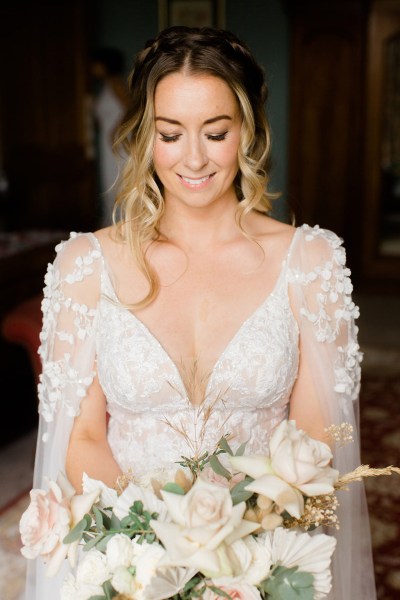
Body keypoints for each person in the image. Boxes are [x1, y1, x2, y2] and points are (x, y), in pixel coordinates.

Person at [26, 26, 375, 599]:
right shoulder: (84, 267)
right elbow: (82, 435)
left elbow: (322, 433)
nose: (193, 158)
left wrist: (239, 557)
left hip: (265, 557)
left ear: (250, 132)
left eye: (216, 133)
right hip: (126, 562)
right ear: (143, 136)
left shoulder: (309, 261)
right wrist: (154, 553)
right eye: (170, 133)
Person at [91, 46, 129, 226]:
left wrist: (115, 130)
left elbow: (130, 109)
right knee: (110, 185)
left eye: (95, 64)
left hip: (118, 142)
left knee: (118, 184)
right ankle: (112, 226)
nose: (92, 68)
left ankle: (121, 226)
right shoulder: (106, 86)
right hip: (109, 144)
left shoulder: (116, 83)